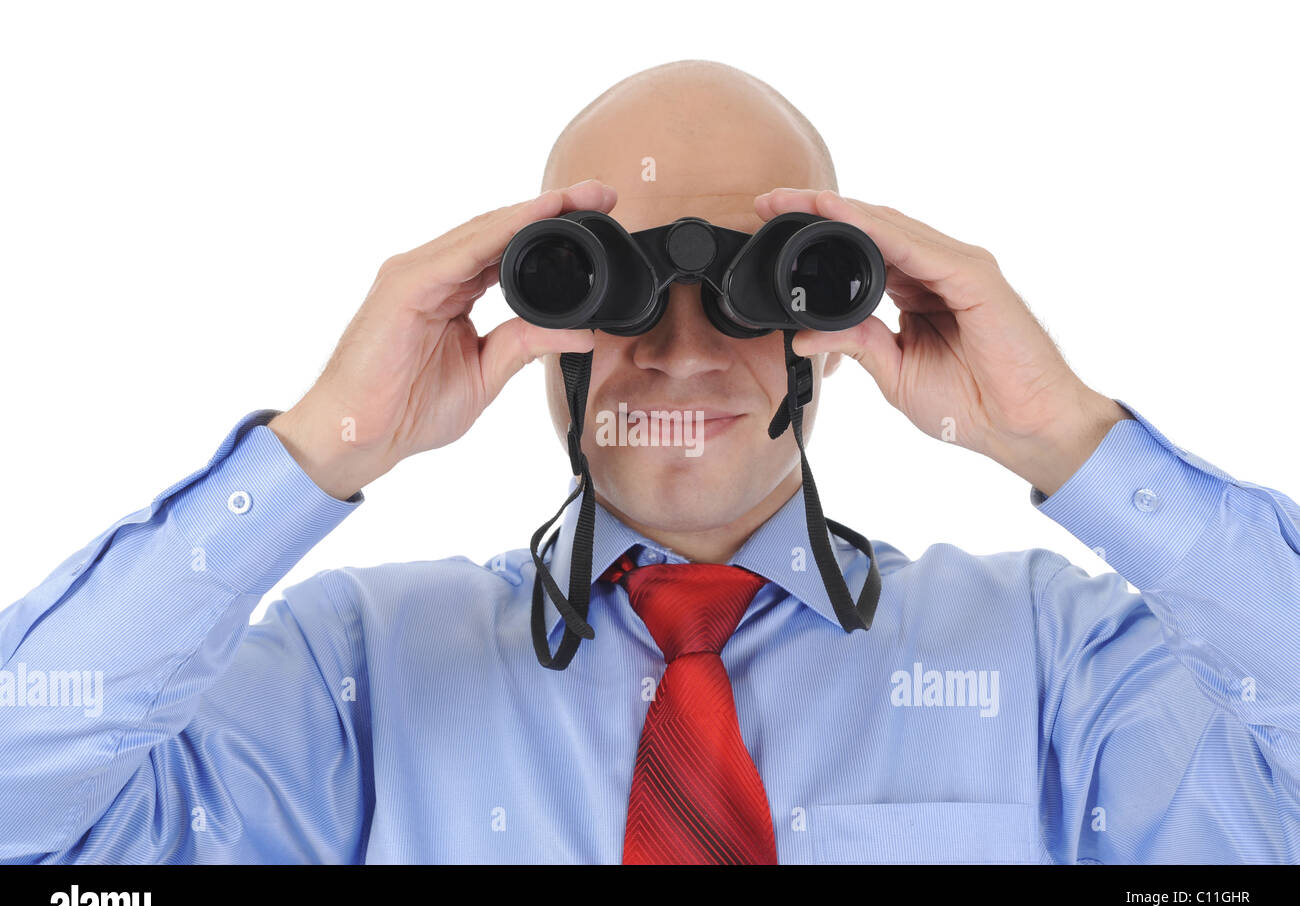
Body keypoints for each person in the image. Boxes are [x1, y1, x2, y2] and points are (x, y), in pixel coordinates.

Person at [1, 59, 1296, 865]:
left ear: (843, 318)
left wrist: (1067, 437)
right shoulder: (362, 676)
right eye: (601, 285)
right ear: (529, 306)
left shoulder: (1046, 663)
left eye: (760, 283)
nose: (682, 349)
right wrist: (318, 450)